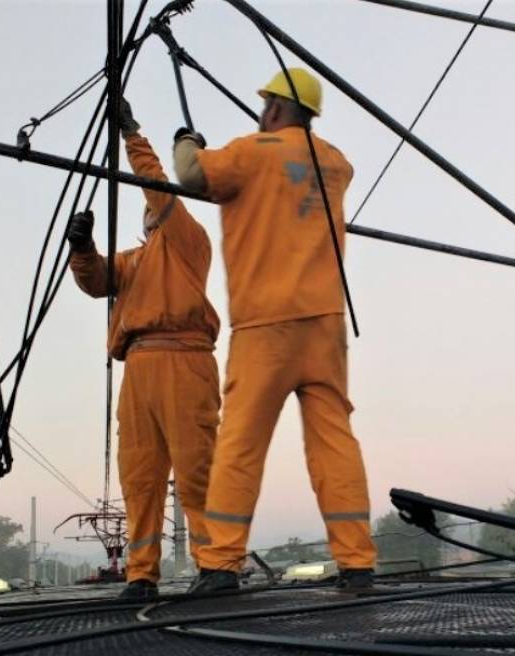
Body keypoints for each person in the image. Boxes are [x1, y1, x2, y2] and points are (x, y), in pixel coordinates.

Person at [172, 68, 377, 594]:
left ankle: (219, 565)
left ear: (276, 109)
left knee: (241, 444)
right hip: (326, 324)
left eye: (265, 104)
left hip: (266, 324)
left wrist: (186, 141)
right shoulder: (335, 163)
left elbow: (191, 176)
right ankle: (357, 563)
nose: (261, 111)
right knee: (334, 441)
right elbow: (315, 163)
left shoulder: (250, 152)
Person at [67, 101, 221, 601]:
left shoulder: (188, 240)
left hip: (184, 357)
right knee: (141, 477)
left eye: (156, 207)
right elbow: (95, 282)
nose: (151, 214)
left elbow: (156, 186)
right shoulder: (134, 261)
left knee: (196, 466)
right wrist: (83, 248)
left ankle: (219, 564)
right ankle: (141, 573)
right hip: (139, 367)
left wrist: (132, 134)